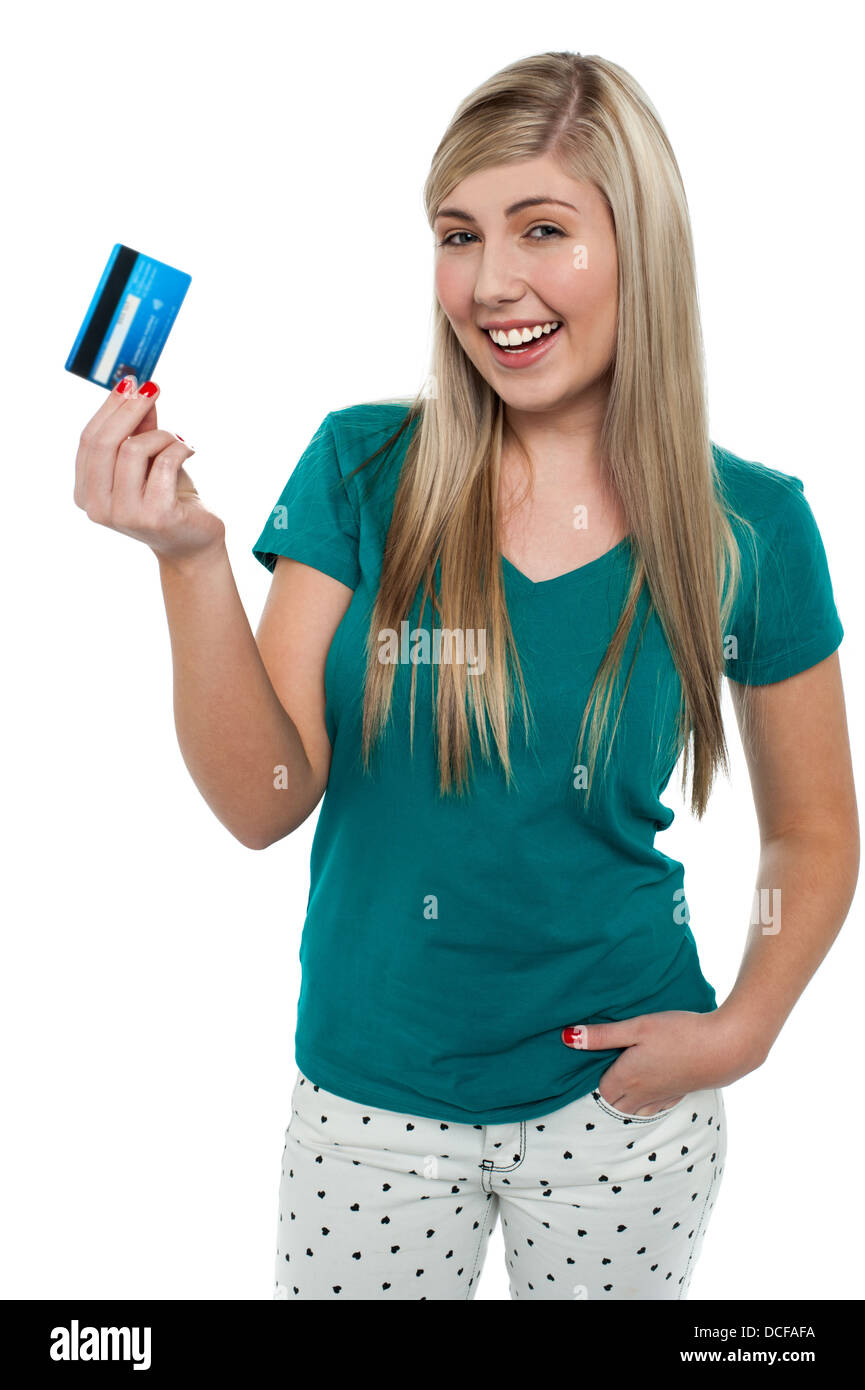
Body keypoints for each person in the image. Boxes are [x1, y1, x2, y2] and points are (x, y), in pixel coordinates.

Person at [73, 52, 858, 1301]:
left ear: (638, 247)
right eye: (458, 234)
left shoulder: (753, 527)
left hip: (622, 1107)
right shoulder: (360, 467)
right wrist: (188, 559)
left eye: (541, 228)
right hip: (371, 1110)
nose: (491, 283)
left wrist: (746, 1024)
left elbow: (812, 834)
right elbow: (263, 798)